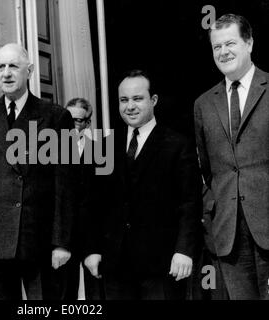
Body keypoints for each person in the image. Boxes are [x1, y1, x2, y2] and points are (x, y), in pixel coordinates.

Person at [0, 43, 76, 300]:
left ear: (30, 71)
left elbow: (66, 187)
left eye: (13, 66)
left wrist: (62, 242)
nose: (7, 73)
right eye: (1, 67)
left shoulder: (57, 117)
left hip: (40, 240)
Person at [84, 69, 202, 300]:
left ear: (153, 100)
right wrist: (91, 249)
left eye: (137, 99)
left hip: (162, 264)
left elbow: (190, 203)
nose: (130, 106)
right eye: (124, 100)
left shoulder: (177, 145)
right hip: (114, 264)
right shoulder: (103, 148)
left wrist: (183, 251)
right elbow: (91, 204)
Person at [194, 14, 269, 300]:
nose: (223, 52)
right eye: (216, 47)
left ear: (249, 43)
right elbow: (207, 169)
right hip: (229, 234)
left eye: (230, 43)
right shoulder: (203, 104)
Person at [51, 97, 104, 300]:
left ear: (87, 123)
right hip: (63, 236)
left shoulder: (100, 151)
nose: (72, 124)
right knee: (64, 294)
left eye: (78, 120)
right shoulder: (51, 152)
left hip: (91, 233)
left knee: (96, 294)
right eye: (68, 118)